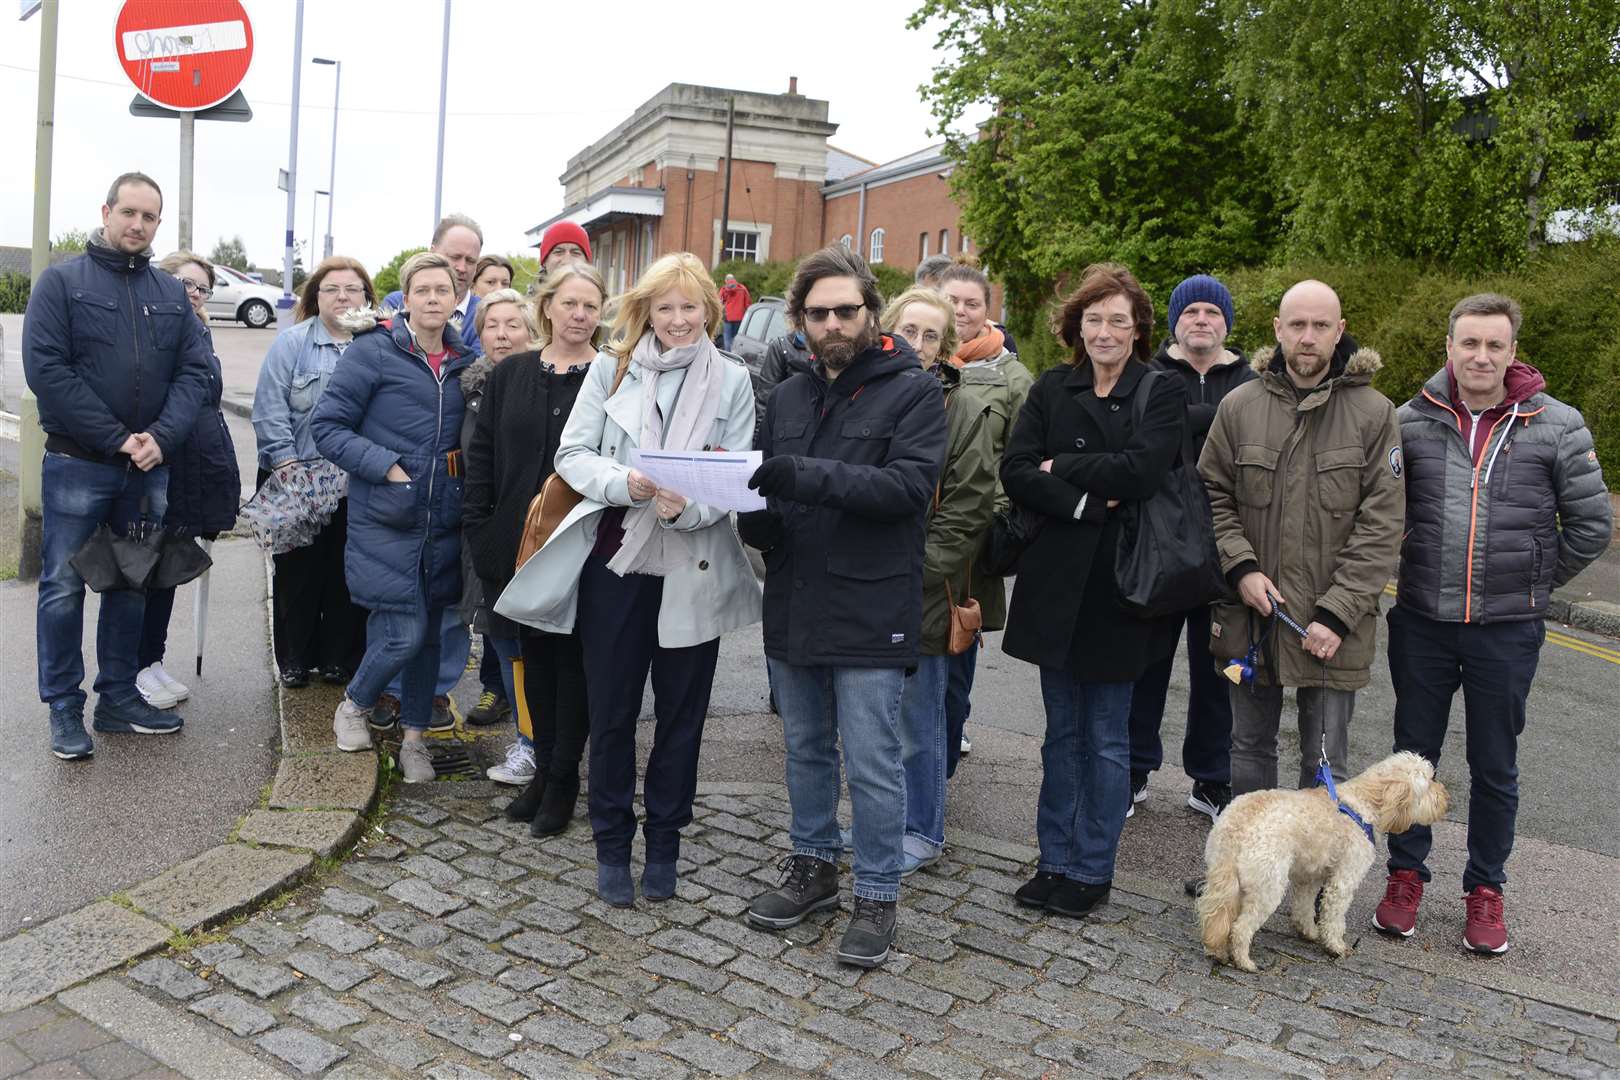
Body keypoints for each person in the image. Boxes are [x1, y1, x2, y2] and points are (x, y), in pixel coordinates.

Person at [495, 252, 759, 906]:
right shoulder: (612, 369)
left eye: (688, 307)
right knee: (611, 710)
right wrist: (625, 483)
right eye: (663, 307)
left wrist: (689, 502)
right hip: (616, 558)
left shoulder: (732, 378)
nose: (676, 320)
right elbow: (573, 454)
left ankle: (664, 840)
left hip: (692, 560)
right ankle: (611, 841)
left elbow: (737, 476)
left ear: (707, 311)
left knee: (681, 716)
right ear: (645, 310)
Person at [1374, 293, 1611, 954]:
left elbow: (1591, 527)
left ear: (1512, 353)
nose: (1480, 356)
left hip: (1507, 631)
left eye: (1494, 346)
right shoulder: (1409, 421)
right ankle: (1405, 876)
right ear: (1449, 348)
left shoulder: (1556, 425)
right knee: (1411, 758)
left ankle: (1485, 888)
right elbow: (1380, 515)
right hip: (1421, 621)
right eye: (1469, 343)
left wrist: (1533, 580)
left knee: (1494, 763)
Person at [739, 245, 945, 968]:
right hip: (794, 597)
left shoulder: (913, 391)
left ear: (870, 312)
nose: (833, 324)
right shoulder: (789, 395)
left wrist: (805, 475)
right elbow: (770, 490)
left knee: (873, 759)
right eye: (818, 313)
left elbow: (906, 491)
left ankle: (878, 896)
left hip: (871, 602)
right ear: (799, 319)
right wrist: (748, 511)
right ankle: (814, 869)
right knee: (802, 749)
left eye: (846, 311)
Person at [999, 263, 1188, 918]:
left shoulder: (1159, 393)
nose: (1105, 331)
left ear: (1138, 329)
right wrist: (1086, 500)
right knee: (1060, 735)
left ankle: (1090, 868)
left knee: (1106, 736)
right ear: (1076, 325)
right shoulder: (1053, 387)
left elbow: (1141, 472)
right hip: (1055, 584)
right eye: (1094, 318)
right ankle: (1053, 859)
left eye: (1118, 319)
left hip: (1121, 589)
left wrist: (1063, 468)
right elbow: (1017, 470)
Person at [22, 171, 212, 759]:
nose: (137, 224)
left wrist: (160, 436)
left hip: (148, 465)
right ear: (106, 212)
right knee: (62, 586)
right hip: (79, 463)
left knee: (131, 582)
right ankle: (62, 708)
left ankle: (118, 698)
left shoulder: (170, 293)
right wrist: (117, 438)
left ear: (158, 223)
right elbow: (47, 373)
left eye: (149, 217)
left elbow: (194, 372)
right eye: (128, 212)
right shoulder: (60, 283)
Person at [1200, 280, 1404, 797]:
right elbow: (1211, 495)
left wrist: (1337, 614)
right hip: (1253, 616)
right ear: (1277, 330)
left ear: (1340, 331)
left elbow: (1382, 525)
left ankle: (1315, 878)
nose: (1307, 337)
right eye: (1297, 325)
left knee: (1325, 762)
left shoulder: (1375, 414)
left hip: (1334, 624)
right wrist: (1241, 568)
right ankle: (1248, 873)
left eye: (1319, 326)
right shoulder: (1238, 406)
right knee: (1247, 750)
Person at [311, 252, 476, 782]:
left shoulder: (463, 363)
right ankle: (355, 704)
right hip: (387, 516)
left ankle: (414, 742)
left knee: (430, 636)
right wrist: (387, 468)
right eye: (421, 290)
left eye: (442, 290)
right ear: (404, 298)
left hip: (443, 520)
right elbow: (329, 427)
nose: (432, 299)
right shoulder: (373, 353)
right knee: (403, 632)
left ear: (455, 299)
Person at [466, 268, 606, 836]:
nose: (579, 314)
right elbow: (483, 456)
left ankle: (563, 780)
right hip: (513, 544)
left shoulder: (612, 375)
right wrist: (479, 528)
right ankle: (543, 771)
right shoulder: (512, 375)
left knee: (573, 666)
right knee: (532, 663)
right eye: (569, 303)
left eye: (590, 305)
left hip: (582, 545)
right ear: (546, 308)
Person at [1127, 274, 1251, 820]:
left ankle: (1210, 778)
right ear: (1176, 321)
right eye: (1191, 312)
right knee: (1146, 665)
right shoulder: (1148, 375)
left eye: (1212, 312)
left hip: (1230, 543)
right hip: (1160, 542)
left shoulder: (1252, 379)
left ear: (1226, 322)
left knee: (1219, 669)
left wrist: (1186, 421)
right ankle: (1132, 770)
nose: (1202, 320)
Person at [881, 287, 995, 875]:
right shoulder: (867, 391)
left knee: (920, 721)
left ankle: (923, 830)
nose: (917, 345)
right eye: (908, 331)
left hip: (925, 587)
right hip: (867, 583)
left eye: (931, 335)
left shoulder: (966, 408)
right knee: (876, 718)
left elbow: (970, 506)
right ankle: (885, 823)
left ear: (947, 345)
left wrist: (916, 573)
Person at [252, 256, 376, 689]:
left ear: (366, 297)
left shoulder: (378, 344)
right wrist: (287, 469)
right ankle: (295, 659)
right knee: (296, 575)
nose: (343, 297)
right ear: (315, 297)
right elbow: (269, 409)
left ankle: (338, 658)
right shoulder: (292, 343)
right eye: (332, 289)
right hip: (297, 476)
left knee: (348, 574)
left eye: (352, 289)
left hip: (356, 482)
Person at [135, 252, 241, 708]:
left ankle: (153, 660)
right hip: (159, 459)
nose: (193, 293)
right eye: (185, 282)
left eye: (202, 287)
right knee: (142, 566)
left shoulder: (199, 328)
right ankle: (133, 667)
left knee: (169, 566)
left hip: (193, 461)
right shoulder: (151, 328)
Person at [936, 262, 1032, 764]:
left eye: (972, 303)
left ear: (987, 310)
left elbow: (1023, 462)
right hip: (916, 529)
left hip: (974, 540)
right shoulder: (917, 359)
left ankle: (945, 758)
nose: (961, 311)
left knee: (956, 650)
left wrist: (993, 517)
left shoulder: (1013, 378)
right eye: (952, 301)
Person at [382, 213, 484, 352]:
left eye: (471, 261)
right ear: (432, 252)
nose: (462, 268)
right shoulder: (395, 304)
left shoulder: (486, 315)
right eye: (455, 257)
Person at [719, 273, 751, 351]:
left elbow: (718, 303)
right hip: (739, 318)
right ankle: (735, 355)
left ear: (726, 281)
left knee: (727, 338)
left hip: (728, 318)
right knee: (735, 338)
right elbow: (748, 303)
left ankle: (728, 356)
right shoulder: (742, 289)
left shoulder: (723, 290)